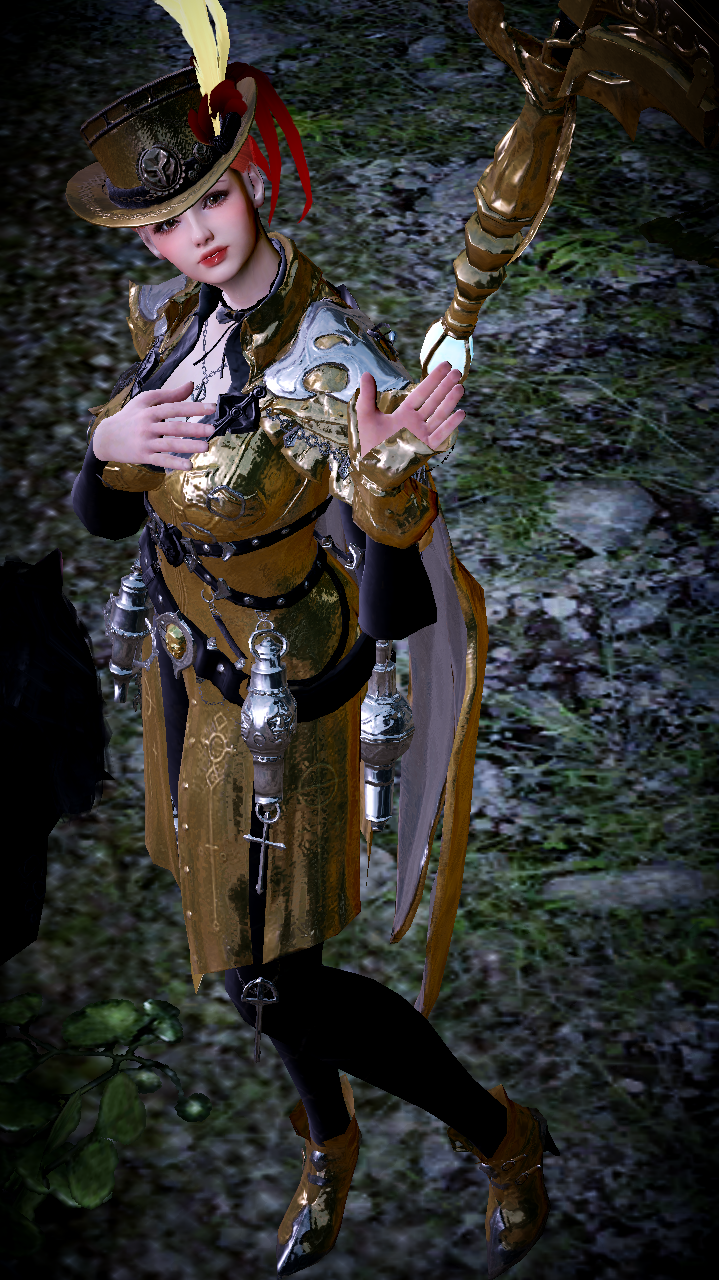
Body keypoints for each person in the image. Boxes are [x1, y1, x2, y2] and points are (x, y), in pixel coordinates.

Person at [69, 3, 559, 1276]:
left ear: (252, 179)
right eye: (166, 221)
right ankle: (330, 1135)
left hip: (290, 691)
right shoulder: (168, 318)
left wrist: (388, 486)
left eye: (212, 200)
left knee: (267, 974)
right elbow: (103, 516)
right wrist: (107, 445)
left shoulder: (329, 364)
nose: (195, 235)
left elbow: (398, 609)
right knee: (256, 954)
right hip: (187, 668)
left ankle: (498, 1132)